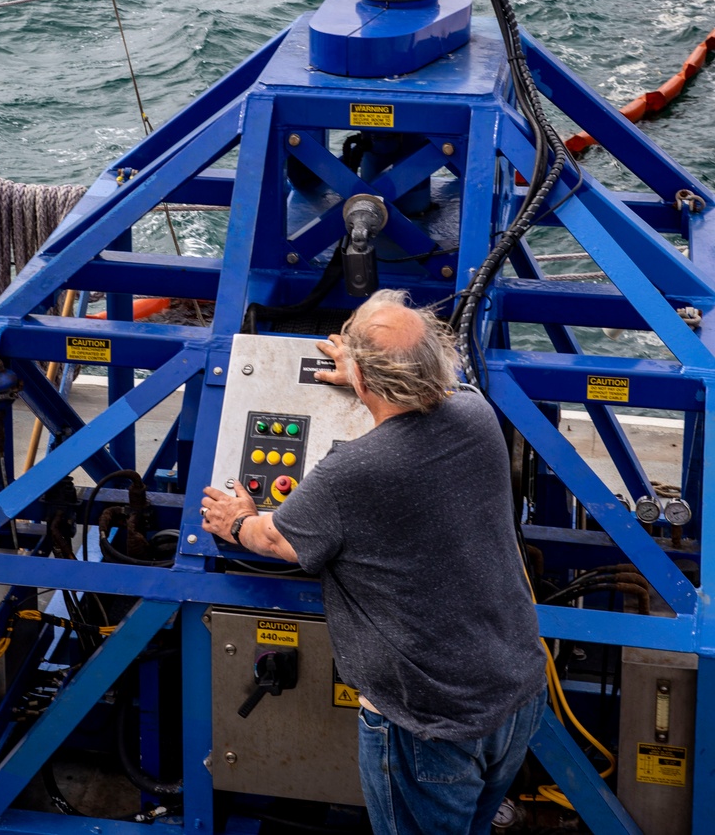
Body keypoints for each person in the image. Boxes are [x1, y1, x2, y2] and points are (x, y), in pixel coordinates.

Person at [201, 289, 546, 835]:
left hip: (429, 725)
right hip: (516, 692)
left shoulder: (350, 474)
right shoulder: (478, 416)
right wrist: (366, 379)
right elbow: (440, 393)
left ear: (363, 378)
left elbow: (279, 541)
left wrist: (238, 521)